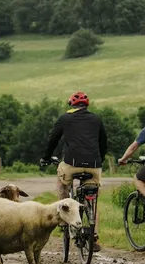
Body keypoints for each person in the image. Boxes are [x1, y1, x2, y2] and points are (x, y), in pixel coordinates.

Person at [41, 91, 107, 249]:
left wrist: (46, 157)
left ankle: (63, 219)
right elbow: (103, 142)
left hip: (71, 163)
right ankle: (94, 234)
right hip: (94, 165)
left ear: (72, 105)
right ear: (86, 106)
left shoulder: (65, 118)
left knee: (62, 182)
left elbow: (53, 139)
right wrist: (100, 160)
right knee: (93, 198)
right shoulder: (96, 119)